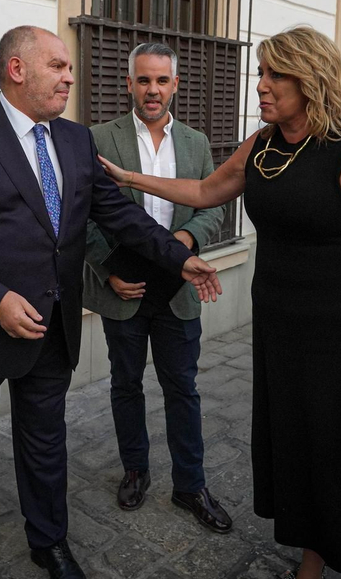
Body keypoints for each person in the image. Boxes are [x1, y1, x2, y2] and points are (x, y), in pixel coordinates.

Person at [99, 25, 341, 579]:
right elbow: (205, 191)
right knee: (289, 444)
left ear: (311, 79)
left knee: (327, 452)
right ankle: (303, 542)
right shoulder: (266, 145)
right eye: (262, 73)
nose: (262, 86)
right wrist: (131, 181)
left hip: (334, 335)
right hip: (277, 329)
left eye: (275, 76)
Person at [0, 26, 222, 579]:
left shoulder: (76, 141)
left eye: (69, 66)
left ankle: (49, 541)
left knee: (45, 442)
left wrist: (180, 260)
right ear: (17, 70)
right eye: (57, 65)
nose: (70, 76)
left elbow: (120, 219)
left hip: (51, 327)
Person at [83, 43, 231, 531]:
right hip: (123, 288)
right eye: (144, 80)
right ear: (129, 83)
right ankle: (135, 470)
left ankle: (190, 484)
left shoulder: (196, 143)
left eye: (161, 81)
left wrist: (186, 241)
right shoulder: (98, 138)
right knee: (125, 384)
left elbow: (214, 205)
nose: (153, 90)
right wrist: (106, 271)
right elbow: (78, 214)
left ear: (175, 85)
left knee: (181, 388)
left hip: (178, 290)